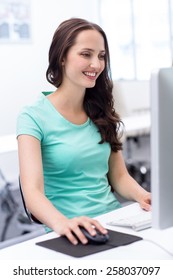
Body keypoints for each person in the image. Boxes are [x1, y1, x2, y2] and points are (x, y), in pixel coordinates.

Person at [16, 18, 151, 245]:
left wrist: (143, 196)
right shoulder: (32, 117)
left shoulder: (101, 111)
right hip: (70, 230)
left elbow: (119, 176)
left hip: (113, 222)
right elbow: (32, 193)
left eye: (101, 56)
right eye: (86, 54)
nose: (97, 65)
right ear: (61, 57)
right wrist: (62, 223)